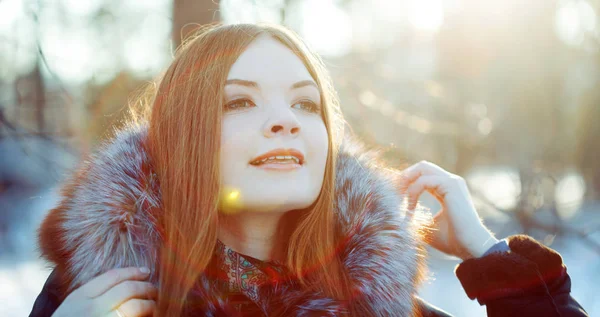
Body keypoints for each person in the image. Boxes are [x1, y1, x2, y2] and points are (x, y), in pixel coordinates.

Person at [29, 23, 588, 317]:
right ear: (181, 140)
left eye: (305, 104)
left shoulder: (374, 303)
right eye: (240, 102)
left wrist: (494, 261)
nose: (285, 122)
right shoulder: (100, 301)